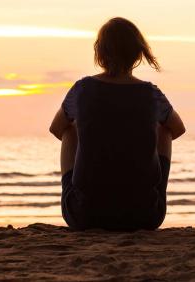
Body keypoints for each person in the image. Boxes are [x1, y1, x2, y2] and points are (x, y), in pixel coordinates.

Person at [50, 17, 185, 231]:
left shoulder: (82, 89)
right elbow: (177, 128)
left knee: (70, 129)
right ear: (138, 54)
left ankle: (78, 194)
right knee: (164, 129)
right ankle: (154, 194)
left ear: (100, 53)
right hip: (145, 216)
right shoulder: (151, 93)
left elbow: (57, 128)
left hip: (85, 216)